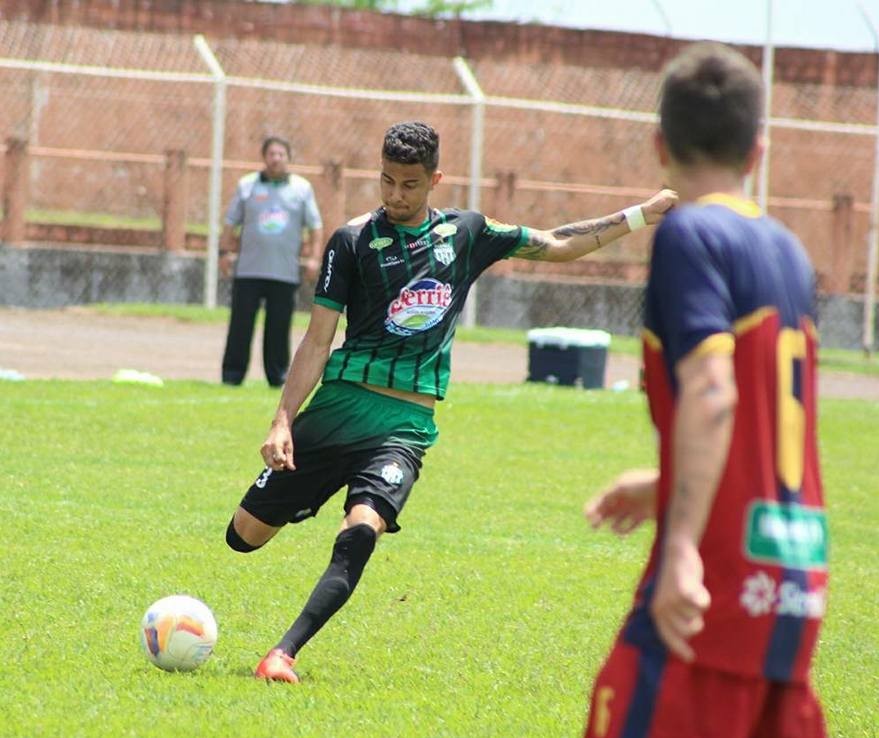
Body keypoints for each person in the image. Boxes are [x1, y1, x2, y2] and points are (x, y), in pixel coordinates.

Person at [224, 120, 676, 683]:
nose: (395, 195)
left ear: (435, 179)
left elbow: (558, 243)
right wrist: (282, 421)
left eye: (409, 184)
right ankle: (301, 497)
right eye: (386, 181)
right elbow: (318, 340)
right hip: (337, 410)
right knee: (243, 538)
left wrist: (644, 213)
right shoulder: (352, 240)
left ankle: (282, 654)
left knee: (361, 530)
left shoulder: (466, 234)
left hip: (406, 424)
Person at [582, 43, 828, 738]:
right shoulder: (787, 247)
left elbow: (715, 393)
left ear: (658, 145)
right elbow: (763, 421)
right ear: (757, 151)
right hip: (794, 577)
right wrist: (666, 485)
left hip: (714, 581)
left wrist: (682, 544)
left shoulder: (690, 232)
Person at [220, 136, 324, 387]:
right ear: (264, 157)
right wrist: (223, 253)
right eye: (271, 154)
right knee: (240, 326)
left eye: (281, 154)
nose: (276, 158)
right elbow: (231, 223)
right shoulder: (247, 186)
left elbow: (315, 227)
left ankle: (277, 376)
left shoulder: (301, 189)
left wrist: (313, 258)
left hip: (284, 272)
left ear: (288, 158)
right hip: (249, 271)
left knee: (278, 328)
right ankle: (232, 375)